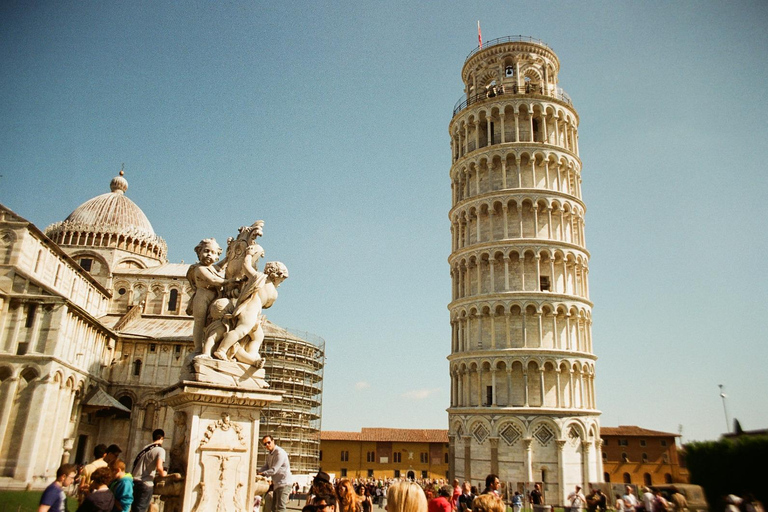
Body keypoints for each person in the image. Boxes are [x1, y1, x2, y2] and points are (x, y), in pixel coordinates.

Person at [186, 238, 230, 355]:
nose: (209, 255)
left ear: (217, 256)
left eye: (213, 253)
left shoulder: (211, 267)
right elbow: (214, 279)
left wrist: (228, 258)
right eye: (206, 251)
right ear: (199, 252)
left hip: (213, 298)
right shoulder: (199, 269)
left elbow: (219, 266)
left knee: (209, 324)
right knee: (199, 323)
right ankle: (198, 348)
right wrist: (231, 281)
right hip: (202, 298)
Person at [131, 429, 167, 512]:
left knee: (134, 509)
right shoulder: (160, 450)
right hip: (146, 483)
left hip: (135, 481)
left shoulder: (145, 448)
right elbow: (159, 467)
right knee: (141, 509)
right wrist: (164, 473)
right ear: (161, 438)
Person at [258, 435, 293, 512]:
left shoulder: (279, 453)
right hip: (277, 484)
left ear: (273, 441)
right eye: (265, 444)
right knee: (273, 508)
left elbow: (274, 470)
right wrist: (257, 472)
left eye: (268, 442)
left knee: (280, 507)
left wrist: (262, 474)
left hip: (284, 483)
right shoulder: (270, 454)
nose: (267, 445)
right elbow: (266, 466)